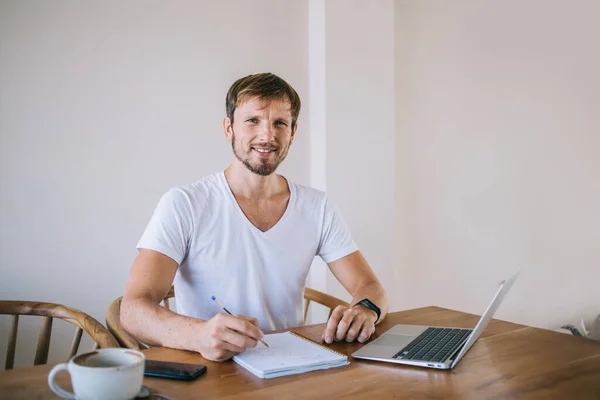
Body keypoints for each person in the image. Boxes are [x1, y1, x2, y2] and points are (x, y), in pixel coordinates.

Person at [121, 73, 388, 362]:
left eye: (279, 123)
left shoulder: (316, 206)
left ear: (293, 132)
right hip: (212, 371)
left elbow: (371, 288)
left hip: (291, 368)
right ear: (229, 128)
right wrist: (198, 335)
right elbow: (133, 309)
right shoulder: (184, 203)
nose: (267, 136)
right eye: (253, 121)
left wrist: (365, 310)